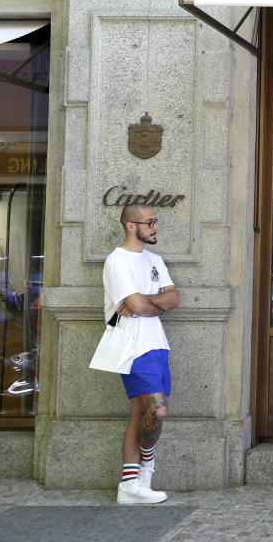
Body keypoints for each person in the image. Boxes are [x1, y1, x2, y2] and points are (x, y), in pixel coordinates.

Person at [103, 204, 180, 504]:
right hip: (133, 346)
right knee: (157, 410)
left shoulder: (155, 260)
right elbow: (134, 307)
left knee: (140, 414)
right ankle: (146, 467)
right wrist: (151, 302)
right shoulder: (117, 261)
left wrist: (147, 300)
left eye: (155, 221)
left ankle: (129, 484)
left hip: (157, 344)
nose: (155, 227)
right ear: (131, 226)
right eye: (149, 222)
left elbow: (174, 298)